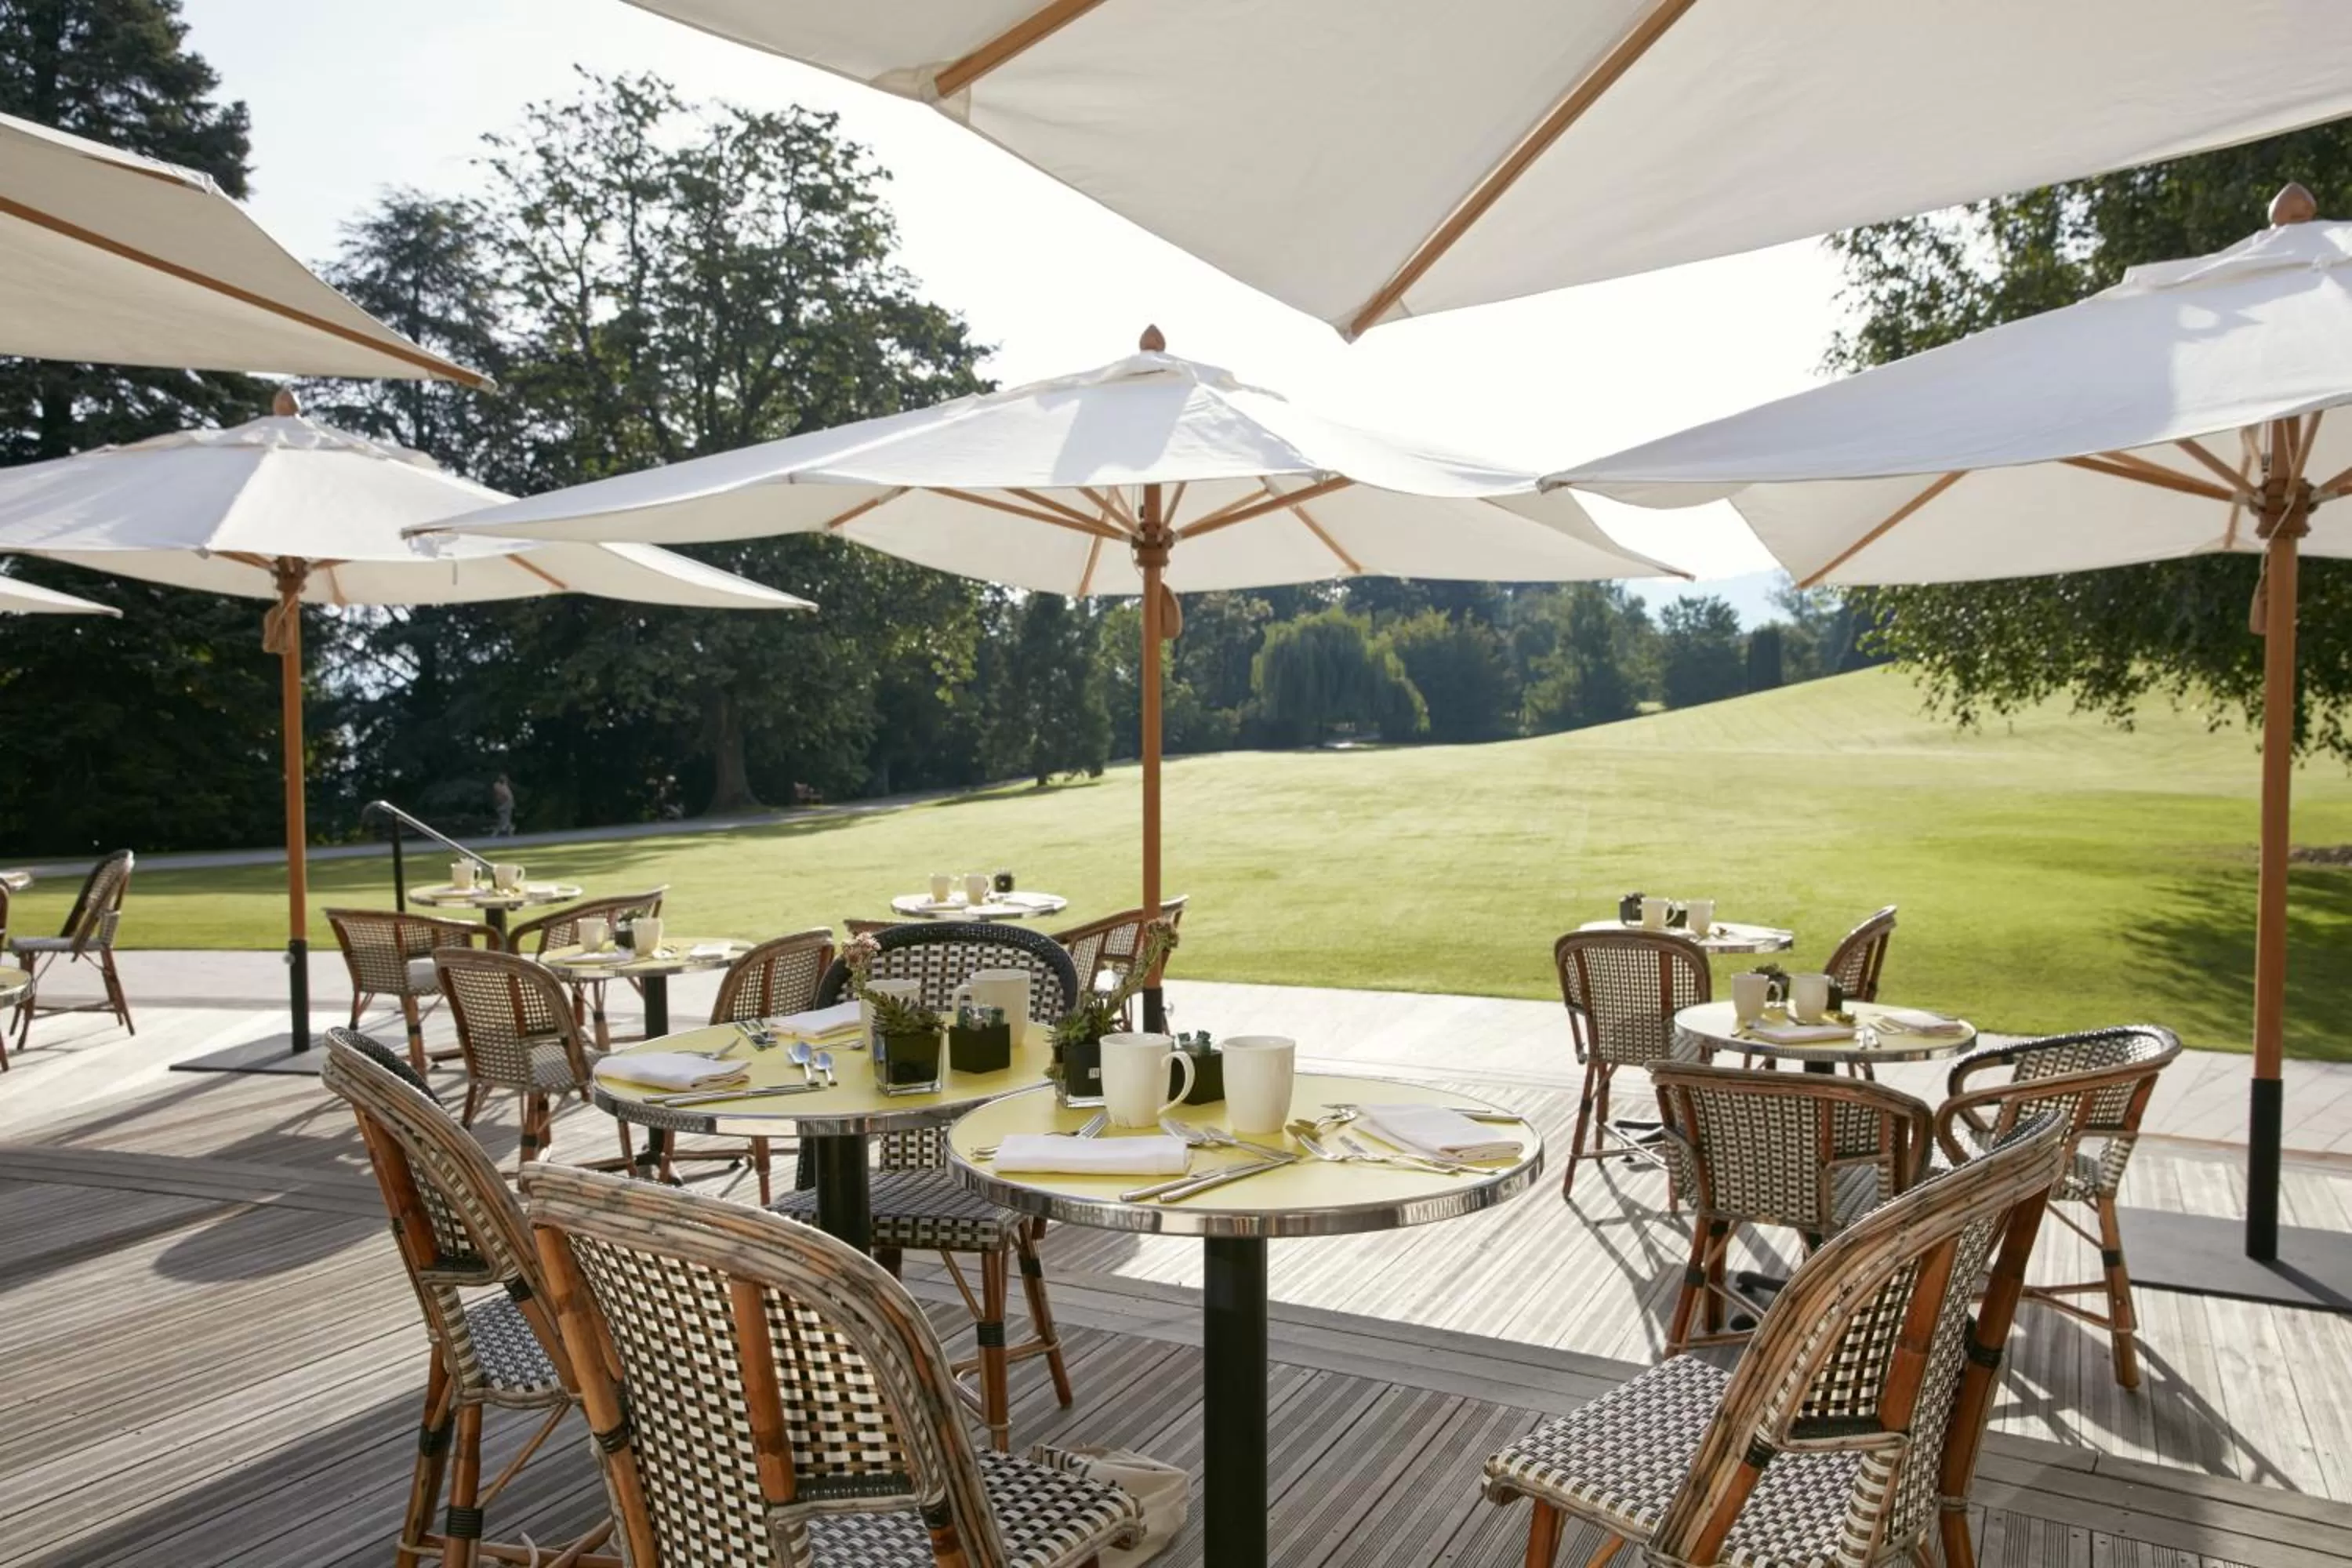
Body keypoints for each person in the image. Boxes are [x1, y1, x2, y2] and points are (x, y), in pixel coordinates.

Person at [491, 773, 515, 837]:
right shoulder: (498, 785)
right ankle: (506, 830)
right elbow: (504, 794)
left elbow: (507, 796)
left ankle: (507, 831)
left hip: (507, 803)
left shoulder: (504, 786)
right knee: (504, 818)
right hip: (505, 803)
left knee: (505, 819)